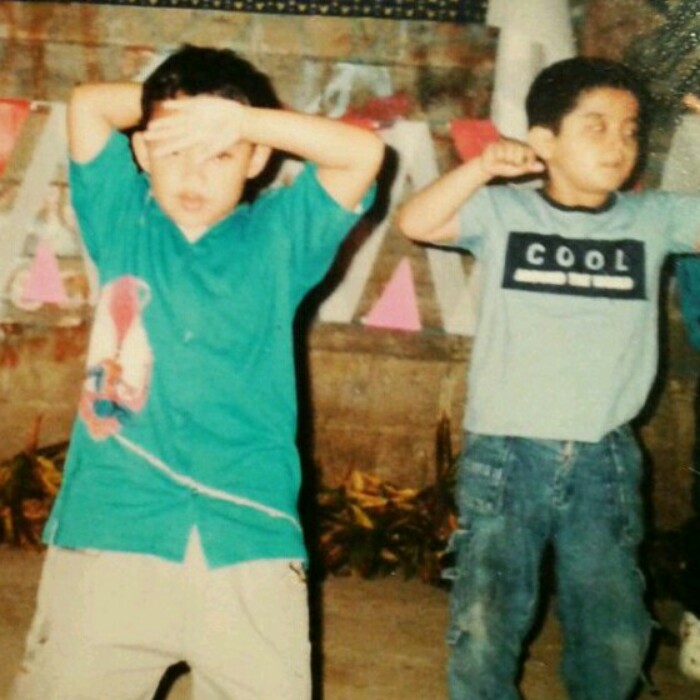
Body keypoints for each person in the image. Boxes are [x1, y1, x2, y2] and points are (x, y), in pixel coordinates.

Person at [11, 44, 383, 699]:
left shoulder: (280, 237)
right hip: (112, 531)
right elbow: (90, 105)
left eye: (219, 154)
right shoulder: (121, 216)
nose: (194, 173)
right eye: (175, 149)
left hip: (247, 540)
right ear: (143, 150)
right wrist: (184, 115)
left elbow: (362, 153)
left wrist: (239, 121)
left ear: (256, 159)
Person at [397, 56, 700, 700]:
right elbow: (416, 223)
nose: (619, 143)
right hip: (506, 453)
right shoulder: (502, 212)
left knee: (614, 628)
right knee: (487, 620)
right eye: (596, 126)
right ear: (544, 140)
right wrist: (481, 168)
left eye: (630, 129)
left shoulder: (653, 218)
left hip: (605, 457)